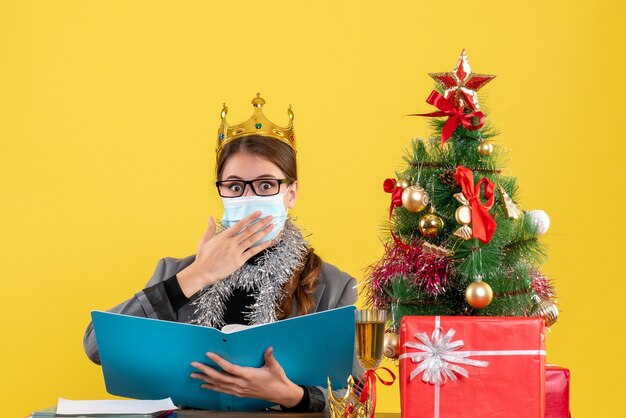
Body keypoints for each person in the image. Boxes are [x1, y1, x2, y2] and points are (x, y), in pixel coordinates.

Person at [83, 94, 359, 412]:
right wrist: (197, 274)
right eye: (235, 186)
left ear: (291, 194)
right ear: (222, 191)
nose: (250, 196)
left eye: (266, 185)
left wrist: (292, 396)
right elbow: (96, 347)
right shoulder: (176, 272)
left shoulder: (335, 286)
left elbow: (357, 398)